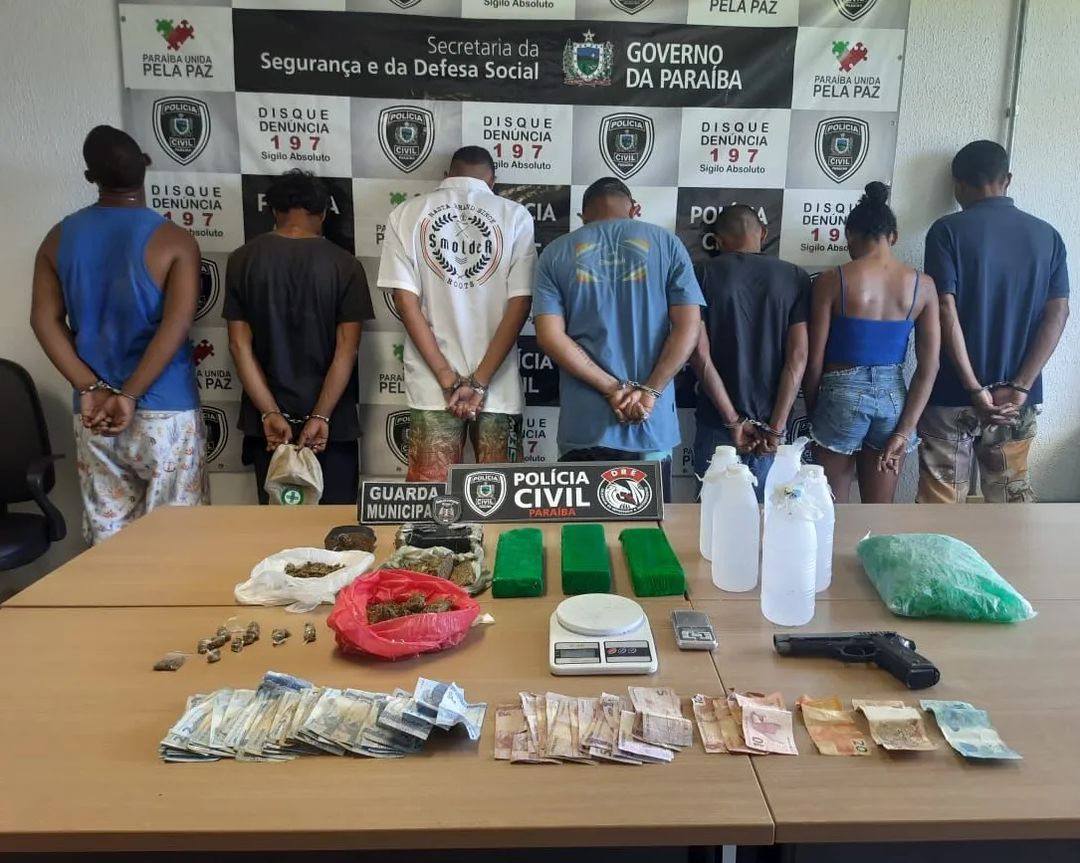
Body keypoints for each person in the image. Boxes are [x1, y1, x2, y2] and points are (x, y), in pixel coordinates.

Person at [30, 125, 207, 544]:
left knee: (109, 545)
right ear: (145, 165)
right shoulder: (174, 240)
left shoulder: (58, 238)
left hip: (95, 413)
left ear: (90, 177)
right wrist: (129, 395)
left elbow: (43, 321)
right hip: (166, 411)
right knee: (178, 541)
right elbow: (176, 323)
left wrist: (90, 387)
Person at [533, 177, 704, 501]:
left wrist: (613, 389)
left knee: (584, 529)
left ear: (583, 216)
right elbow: (689, 328)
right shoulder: (667, 244)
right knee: (650, 529)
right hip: (650, 423)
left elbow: (549, 336)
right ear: (634, 209)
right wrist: (650, 392)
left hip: (585, 426)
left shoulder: (555, 253)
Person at [919, 140, 1070, 503]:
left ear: (958, 185)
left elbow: (944, 308)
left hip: (952, 392)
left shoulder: (946, 230)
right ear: (1008, 179)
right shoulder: (1047, 235)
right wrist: (1020, 387)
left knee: (941, 504)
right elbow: (1058, 313)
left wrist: (974, 388)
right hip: (1016, 400)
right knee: (1010, 499)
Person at [377, 146, 535, 482]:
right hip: (497, 386)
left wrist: (446, 379)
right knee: (504, 497)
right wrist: (479, 383)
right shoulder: (515, 215)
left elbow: (405, 302)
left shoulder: (406, 214)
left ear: (447, 175)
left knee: (429, 498)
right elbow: (520, 304)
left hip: (432, 385)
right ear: (493, 180)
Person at [225, 169, 374, 505]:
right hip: (332, 426)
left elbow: (238, 346)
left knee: (278, 528)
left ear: (274, 210)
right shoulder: (345, 265)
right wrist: (320, 416)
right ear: (323, 213)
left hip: (268, 428)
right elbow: (346, 351)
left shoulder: (241, 260)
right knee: (336, 528)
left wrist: (269, 413)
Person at [804, 182, 940, 503]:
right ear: (893, 236)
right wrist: (904, 430)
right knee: (879, 511)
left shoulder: (832, 280)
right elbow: (929, 367)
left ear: (850, 234)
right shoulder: (923, 285)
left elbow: (813, 360)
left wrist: (815, 413)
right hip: (893, 398)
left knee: (832, 509)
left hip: (840, 394)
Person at [691, 205, 810, 499]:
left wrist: (733, 420)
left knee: (710, 518)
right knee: (767, 519)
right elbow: (797, 358)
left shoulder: (700, 273)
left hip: (717, 422)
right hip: (771, 429)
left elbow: (699, 355)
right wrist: (777, 427)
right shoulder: (795, 276)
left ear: (718, 241)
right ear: (764, 234)